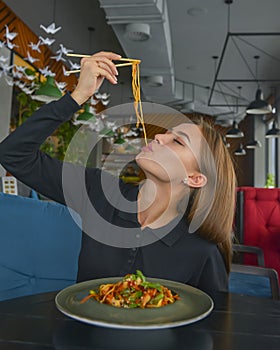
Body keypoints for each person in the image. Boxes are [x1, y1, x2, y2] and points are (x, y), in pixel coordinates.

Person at [0, 51, 236, 292]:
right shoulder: (99, 191)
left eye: (178, 141)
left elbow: (213, 326)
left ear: (195, 178)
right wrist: (78, 96)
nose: (160, 136)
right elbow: (14, 154)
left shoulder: (202, 251)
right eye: (169, 131)